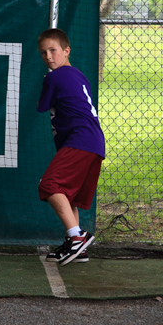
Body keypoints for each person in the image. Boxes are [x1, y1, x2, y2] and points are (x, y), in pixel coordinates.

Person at [37, 28, 105, 266]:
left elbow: (42, 106)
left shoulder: (54, 77)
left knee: (50, 185)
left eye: (53, 50)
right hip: (94, 142)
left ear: (66, 51)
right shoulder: (78, 75)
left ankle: (76, 239)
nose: (48, 57)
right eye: (44, 53)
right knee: (69, 195)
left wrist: (47, 81)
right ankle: (77, 249)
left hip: (81, 140)